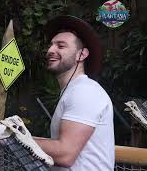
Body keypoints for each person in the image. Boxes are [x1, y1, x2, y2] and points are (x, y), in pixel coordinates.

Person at [35, 15, 115, 170]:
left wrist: (14, 138)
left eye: (61, 46)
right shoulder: (72, 91)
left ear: (81, 55)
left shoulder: (85, 91)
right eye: (51, 45)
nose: (50, 50)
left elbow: (65, 154)